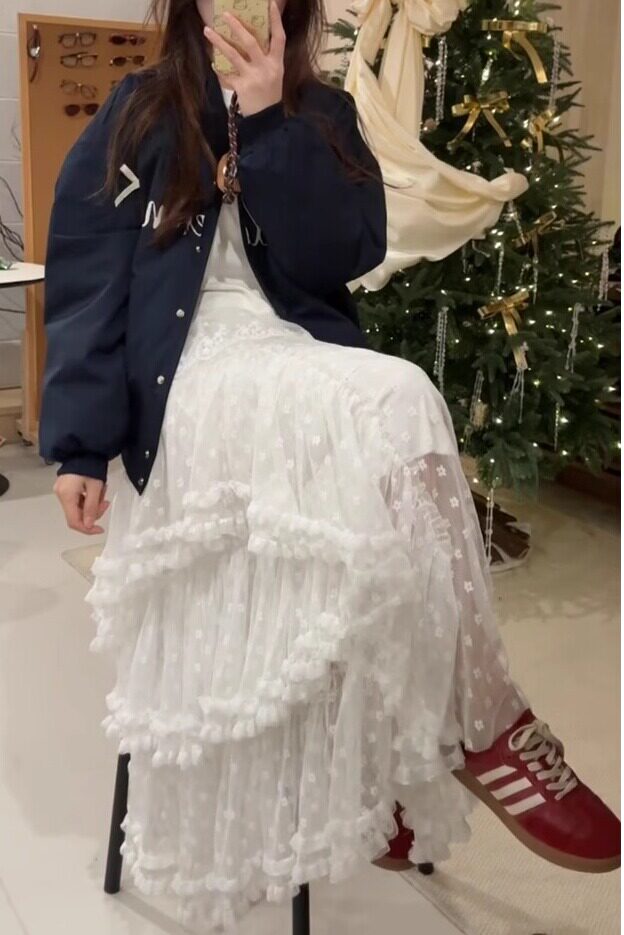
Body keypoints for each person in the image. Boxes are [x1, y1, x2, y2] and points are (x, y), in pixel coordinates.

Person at [38, 0, 620, 930]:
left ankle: (391, 755)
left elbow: (343, 255)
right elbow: (87, 280)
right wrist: (78, 441)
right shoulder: (137, 110)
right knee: (398, 399)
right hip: (184, 376)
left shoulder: (322, 112)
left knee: (395, 419)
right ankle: (483, 723)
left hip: (292, 353)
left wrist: (273, 119)